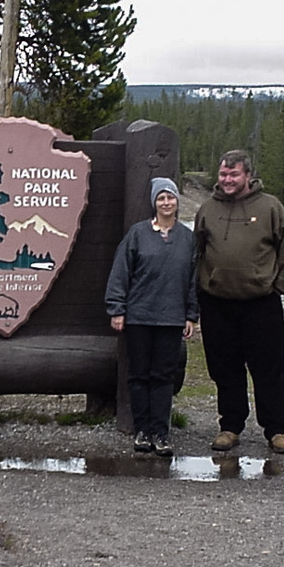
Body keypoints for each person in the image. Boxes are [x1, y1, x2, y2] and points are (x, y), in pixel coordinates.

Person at [194, 150, 284, 454]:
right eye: (223, 174)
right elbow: (197, 254)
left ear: (248, 176)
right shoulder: (206, 210)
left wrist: (277, 287)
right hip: (217, 304)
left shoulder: (270, 208)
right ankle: (230, 427)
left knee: (268, 370)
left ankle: (276, 430)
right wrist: (200, 291)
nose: (227, 180)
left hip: (261, 304)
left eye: (234, 174)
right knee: (225, 370)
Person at [105, 177, 198, 457]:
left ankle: (162, 432)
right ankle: (142, 430)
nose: (166, 202)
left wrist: (191, 315)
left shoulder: (187, 238)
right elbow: (120, 272)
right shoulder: (137, 234)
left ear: (177, 202)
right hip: (139, 317)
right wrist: (117, 308)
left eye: (170, 197)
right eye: (161, 198)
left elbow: (194, 279)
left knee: (164, 377)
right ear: (154, 203)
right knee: (138, 376)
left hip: (171, 319)